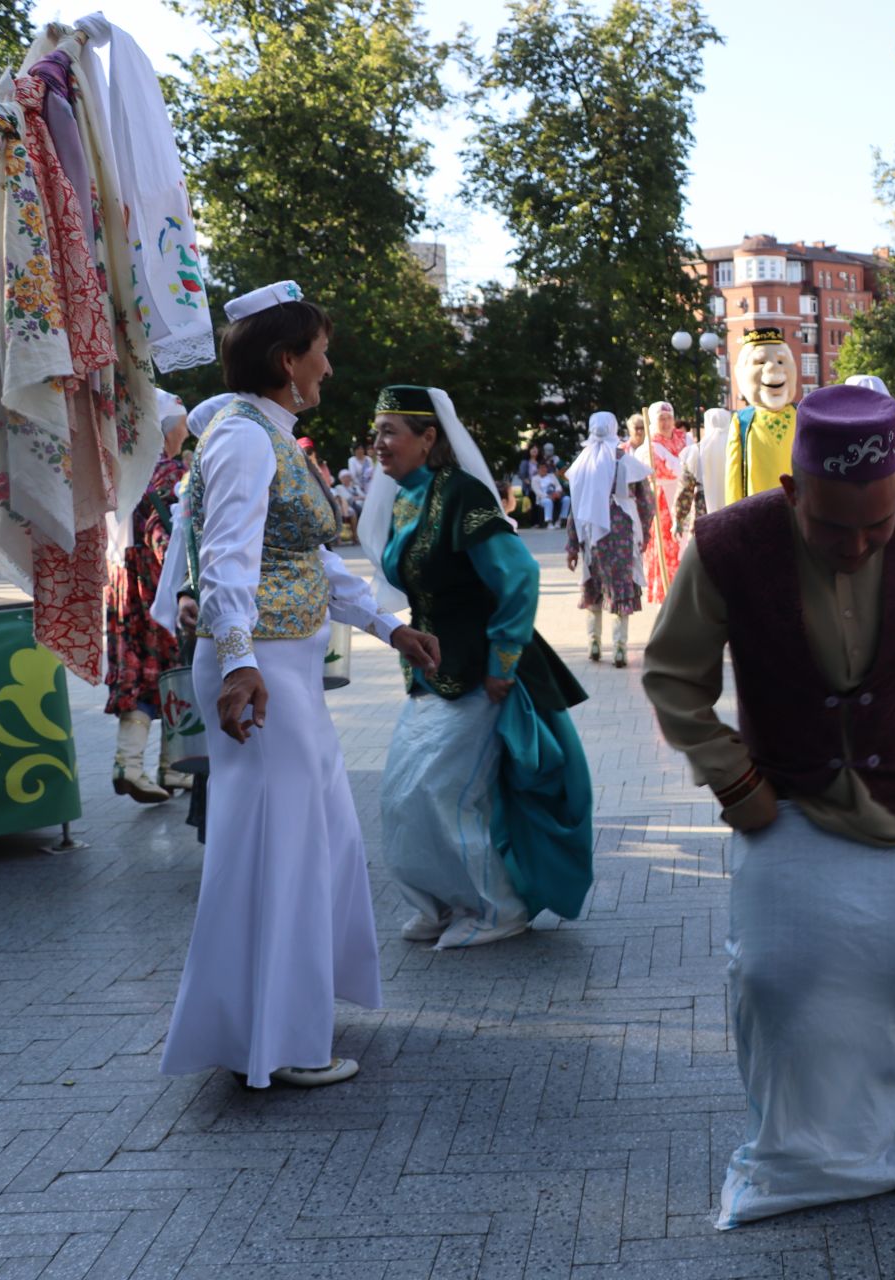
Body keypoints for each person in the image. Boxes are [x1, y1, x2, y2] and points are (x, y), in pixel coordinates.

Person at [642, 383, 895, 1229]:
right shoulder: (728, 543)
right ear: (791, 491)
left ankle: (872, 1142)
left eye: (877, 528)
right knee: (775, 976)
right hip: (784, 797)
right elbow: (672, 674)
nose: (858, 547)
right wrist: (733, 778)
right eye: (834, 528)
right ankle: (789, 1155)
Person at [160, 282, 440, 1091]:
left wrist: (387, 625)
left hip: (278, 666)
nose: (329, 360)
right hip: (264, 671)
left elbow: (308, 562)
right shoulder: (246, 440)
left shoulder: (264, 433)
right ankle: (278, 1042)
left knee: (306, 839)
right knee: (279, 844)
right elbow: (226, 561)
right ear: (288, 360)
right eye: (320, 346)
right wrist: (242, 661)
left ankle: (282, 1019)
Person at [358, 385, 595, 949]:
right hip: (431, 674)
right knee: (401, 792)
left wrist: (503, 662)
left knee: (439, 792)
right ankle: (438, 902)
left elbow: (518, 575)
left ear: (429, 437)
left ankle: (498, 907)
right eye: (377, 432)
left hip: (477, 673)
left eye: (390, 430)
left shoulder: (460, 493)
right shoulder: (404, 498)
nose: (378, 444)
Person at [105, 390, 192, 804]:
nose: (186, 433)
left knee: (138, 666)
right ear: (164, 430)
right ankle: (158, 766)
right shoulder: (171, 471)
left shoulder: (124, 468)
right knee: (173, 666)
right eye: (182, 425)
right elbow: (166, 532)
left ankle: (141, 764)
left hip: (122, 576)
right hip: (156, 580)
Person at [565, 412, 655, 667]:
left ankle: (593, 642)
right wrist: (645, 533)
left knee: (594, 584)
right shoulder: (625, 461)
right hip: (622, 532)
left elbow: (575, 508)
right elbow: (647, 504)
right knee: (620, 587)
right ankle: (619, 647)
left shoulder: (582, 464)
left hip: (592, 533)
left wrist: (572, 545)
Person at [727, 327, 799, 500]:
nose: (773, 367)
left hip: (798, 508)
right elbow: (734, 473)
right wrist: (733, 512)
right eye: (760, 362)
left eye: (781, 361)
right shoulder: (742, 421)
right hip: (757, 510)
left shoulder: (802, 415)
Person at [636, 400, 688, 602]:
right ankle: (666, 595)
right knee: (665, 548)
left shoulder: (685, 438)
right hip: (662, 503)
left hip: (686, 500)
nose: (666, 423)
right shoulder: (648, 446)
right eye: (661, 419)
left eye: (669, 418)